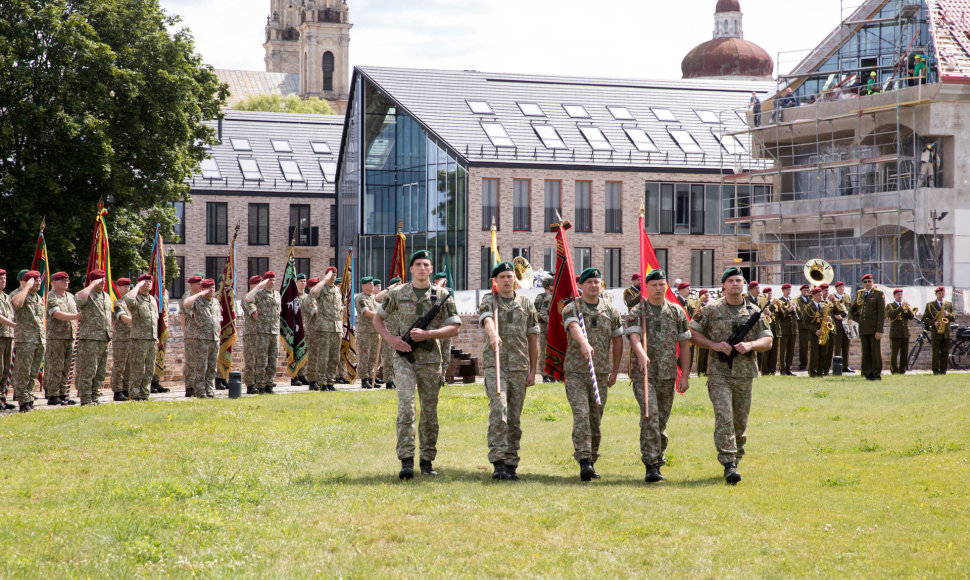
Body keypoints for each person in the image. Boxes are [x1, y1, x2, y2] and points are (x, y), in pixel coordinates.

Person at [373, 250, 462, 480]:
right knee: (406, 408)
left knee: (429, 412)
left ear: (431, 270)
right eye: (418, 264)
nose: (422, 268)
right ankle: (406, 461)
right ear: (411, 269)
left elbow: (455, 327)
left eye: (426, 265)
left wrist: (428, 333)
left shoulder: (442, 295)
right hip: (404, 360)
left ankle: (427, 460)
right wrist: (392, 340)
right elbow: (377, 318)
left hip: (431, 361)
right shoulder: (398, 293)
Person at [689, 267, 772, 484]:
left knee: (740, 421)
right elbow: (692, 332)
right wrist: (713, 345)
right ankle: (728, 463)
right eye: (731, 281)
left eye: (739, 280)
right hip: (719, 372)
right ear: (724, 285)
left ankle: (737, 457)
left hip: (744, 373)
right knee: (724, 417)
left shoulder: (754, 311)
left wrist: (751, 344)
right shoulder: (711, 309)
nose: (736, 284)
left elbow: (768, 340)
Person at [625, 269, 691, 483]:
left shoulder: (676, 311)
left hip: (668, 374)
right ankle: (651, 464)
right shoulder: (638, 310)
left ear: (666, 286)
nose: (658, 288)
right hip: (644, 374)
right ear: (647, 287)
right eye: (654, 285)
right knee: (650, 415)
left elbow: (685, 343)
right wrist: (641, 353)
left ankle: (659, 458)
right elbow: (634, 335)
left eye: (662, 284)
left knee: (661, 421)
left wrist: (685, 376)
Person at [561, 267, 623, 482]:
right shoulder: (572, 307)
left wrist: (615, 370)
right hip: (577, 371)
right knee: (581, 414)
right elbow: (573, 326)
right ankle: (584, 459)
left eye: (597, 282)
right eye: (589, 282)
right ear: (581, 285)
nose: (594, 286)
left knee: (595, 419)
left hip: (601, 372)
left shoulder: (610, 310)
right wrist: (584, 343)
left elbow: (617, 340)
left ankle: (592, 458)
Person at [478, 261, 539, 481]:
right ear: (495, 281)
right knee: (499, 408)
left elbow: (533, 337)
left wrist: (533, 370)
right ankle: (498, 460)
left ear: (515, 279)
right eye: (502, 277)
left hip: (520, 367)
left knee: (514, 416)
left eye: (510, 276)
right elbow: (486, 319)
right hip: (496, 366)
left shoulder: (526, 303)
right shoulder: (489, 300)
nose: (506, 280)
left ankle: (512, 461)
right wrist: (493, 333)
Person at [75, 269, 113, 405]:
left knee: (100, 372)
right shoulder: (87, 294)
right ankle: (86, 399)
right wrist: (91, 285)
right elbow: (79, 298)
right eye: (100, 280)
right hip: (90, 339)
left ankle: (95, 397)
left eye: (104, 280)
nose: (103, 282)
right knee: (89, 371)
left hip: (104, 338)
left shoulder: (106, 296)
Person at [11, 271, 46, 412]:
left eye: (39, 280)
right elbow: (17, 304)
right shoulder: (19, 293)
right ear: (27, 281)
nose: (38, 283)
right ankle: (23, 401)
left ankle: (29, 397)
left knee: (33, 372)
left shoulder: (37, 297)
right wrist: (26, 287)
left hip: (38, 340)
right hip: (25, 340)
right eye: (35, 280)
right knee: (23, 372)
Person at [44, 271, 79, 406]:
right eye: (63, 280)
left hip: (70, 336)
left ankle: (64, 394)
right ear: (54, 282)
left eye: (67, 280)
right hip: (56, 337)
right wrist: (75, 317)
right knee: (56, 367)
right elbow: (56, 314)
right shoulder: (51, 297)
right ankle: (53, 394)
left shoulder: (70, 297)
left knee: (67, 367)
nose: (67, 282)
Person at [123, 275, 159, 401]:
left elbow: (154, 319)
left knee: (149, 369)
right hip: (139, 338)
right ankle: (134, 395)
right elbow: (127, 298)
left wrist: (156, 335)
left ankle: (145, 394)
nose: (148, 283)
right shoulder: (135, 298)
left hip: (151, 338)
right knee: (138, 368)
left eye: (150, 281)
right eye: (145, 281)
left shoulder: (152, 300)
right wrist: (138, 286)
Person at [245, 271, 281, 394]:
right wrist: (259, 286)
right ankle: (260, 384)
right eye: (269, 280)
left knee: (273, 359)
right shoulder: (259, 294)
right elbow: (248, 299)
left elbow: (278, 311)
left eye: (273, 280)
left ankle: (269, 383)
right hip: (262, 330)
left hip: (274, 330)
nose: (272, 282)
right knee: (262, 359)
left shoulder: (277, 294)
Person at [310, 267, 341, 391]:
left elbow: (340, 310)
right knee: (323, 356)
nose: (333, 276)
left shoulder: (337, 290)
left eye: (335, 274)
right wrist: (325, 279)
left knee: (335, 357)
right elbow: (313, 292)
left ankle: (330, 381)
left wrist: (341, 326)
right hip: (324, 327)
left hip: (336, 328)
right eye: (331, 274)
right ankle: (322, 382)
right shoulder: (322, 288)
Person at [849, 274, 885, 381]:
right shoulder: (860, 294)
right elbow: (852, 309)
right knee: (866, 352)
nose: (867, 283)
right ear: (862, 283)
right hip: (863, 328)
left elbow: (881, 313)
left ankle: (876, 374)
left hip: (874, 329)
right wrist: (851, 318)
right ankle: (867, 374)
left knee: (875, 352)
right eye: (865, 282)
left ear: (873, 282)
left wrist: (879, 330)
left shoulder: (878, 293)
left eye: (869, 281)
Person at [109, 278, 133, 401]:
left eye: (128, 286)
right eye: (123, 286)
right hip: (121, 339)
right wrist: (137, 322)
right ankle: (117, 391)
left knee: (129, 366)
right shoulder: (117, 303)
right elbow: (122, 317)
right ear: (117, 288)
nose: (126, 288)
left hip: (132, 338)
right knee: (120, 366)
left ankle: (126, 389)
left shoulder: (132, 302)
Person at [376, 277, 401, 390]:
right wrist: (389, 288)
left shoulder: (402, 297)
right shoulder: (388, 297)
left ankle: (397, 379)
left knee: (399, 358)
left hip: (401, 330)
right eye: (397, 285)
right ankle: (389, 380)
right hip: (389, 331)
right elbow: (377, 297)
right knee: (389, 357)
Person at [922, 286, 954, 375]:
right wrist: (933, 323)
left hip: (946, 332)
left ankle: (943, 371)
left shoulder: (948, 304)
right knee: (935, 353)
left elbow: (953, 318)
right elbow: (924, 318)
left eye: (942, 293)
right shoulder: (930, 305)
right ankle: (935, 371)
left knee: (945, 352)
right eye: (939, 293)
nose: (941, 295)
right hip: (936, 332)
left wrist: (948, 314)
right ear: (936, 294)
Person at [355, 276, 379, 389]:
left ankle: (371, 377)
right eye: (369, 284)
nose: (372, 285)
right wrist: (381, 315)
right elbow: (366, 312)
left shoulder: (373, 297)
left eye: (372, 283)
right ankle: (364, 379)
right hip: (364, 331)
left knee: (373, 356)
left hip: (375, 331)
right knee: (364, 355)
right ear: (363, 286)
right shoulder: (361, 297)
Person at [886, 289, 914, 374]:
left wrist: (908, 308)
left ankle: (902, 370)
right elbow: (891, 315)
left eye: (901, 295)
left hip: (905, 333)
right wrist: (900, 307)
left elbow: (911, 317)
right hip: (895, 333)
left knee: (904, 353)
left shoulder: (905, 306)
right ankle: (894, 370)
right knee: (894, 354)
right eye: (898, 295)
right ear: (894, 296)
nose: (900, 296)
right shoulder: (890, 305)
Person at [241, 275, 261, 394]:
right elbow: (255, 315)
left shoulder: (260, 298)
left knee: (261, 359)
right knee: (251, 360)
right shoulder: (247, 298)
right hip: (251, 333)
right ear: (252, 286)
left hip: (261, 332)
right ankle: (250, 384)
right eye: (258, 284)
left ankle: (259, 381)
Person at [293, 273, 312, 387]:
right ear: (296, 282)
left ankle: (301, 375)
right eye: (301, 281)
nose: (303, 283)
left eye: (304, 281)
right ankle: (294, 376)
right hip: (296, 327)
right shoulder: (294, 297)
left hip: (307, 327)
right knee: (295, 351)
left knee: (304, 351)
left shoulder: (307, 297)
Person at [806, 287, 830, 378]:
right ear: (813, 296)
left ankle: (821, 372)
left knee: (823, 354)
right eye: (818, 295)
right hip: (814, 334)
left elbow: (827, 317)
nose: (820, 296)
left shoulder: (824, 305)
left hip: (824, 332)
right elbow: (806, 323)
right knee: (814, 354)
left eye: (821, 294)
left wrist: (829, 320)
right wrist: (815, 331)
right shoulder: (809, 307)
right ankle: (813, 372)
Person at [830, 281, 854, 373]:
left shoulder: (847, 296)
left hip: (846, 324)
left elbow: (850, 309)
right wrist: (835, 315)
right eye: (840, 287)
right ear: (836, 288)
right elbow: (830, 309)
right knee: (838, 346)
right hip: (838, 324)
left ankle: (845, 366)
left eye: (843, 287)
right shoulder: (832, 297)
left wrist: (850, 319)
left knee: (846, 346)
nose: (842, 288)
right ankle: (837, 366)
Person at [0, 269, 16, 407]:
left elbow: (11, 315)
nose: (3, 281)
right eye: (1, 279)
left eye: (4, 279)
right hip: (0, 335)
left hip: (9, 335)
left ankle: (2, 398)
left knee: (6, 369)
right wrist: (15, 325)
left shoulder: (6, 297)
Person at [433, 272, 452, 384]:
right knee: (437, 354)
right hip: (437, 329)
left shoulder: (447, 293)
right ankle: (436, 377)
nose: (444, 282)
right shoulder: (434, 292)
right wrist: (439, 286)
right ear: (436, 280)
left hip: (447, 328)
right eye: (441, 279)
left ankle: (442, 377)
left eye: (445, 280)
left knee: (446, 355)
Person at [535, 277, 555, 382]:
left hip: (551, 328)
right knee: (544, 351)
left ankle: (553, 373)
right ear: (548, 286)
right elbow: (537, 313)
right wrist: (551, 322)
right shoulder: (542, 297)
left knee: (553, 352)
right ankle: (545, 374)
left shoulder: (553, 296)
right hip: (544, 328)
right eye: (553, 284)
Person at [759, 287, 782, 376]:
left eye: (771, 293)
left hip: (775, 330)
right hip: (766, 330)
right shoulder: (762, 303)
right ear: (764, 294)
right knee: (766, 352)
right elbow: (766, 312)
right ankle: (764, 371)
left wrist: (780, 307)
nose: (770, 295)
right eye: (768, 293)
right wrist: (772, 305)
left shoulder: (775, 304)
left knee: (774, 352)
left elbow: (782, 315)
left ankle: (772, 371)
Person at [777, 283, 798, 376]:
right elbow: (782, 315)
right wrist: (789, 310)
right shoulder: (780, 301)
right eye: (786, 290)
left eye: (789, 290)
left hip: (793, 329)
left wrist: (795, 309)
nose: (788, 291)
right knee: (782, 351)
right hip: (784, 329)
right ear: (783, 291)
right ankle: (782, 370)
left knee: (790, 350)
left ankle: (789, 368)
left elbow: (798, 316)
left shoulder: (792, 301)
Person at [796, 283, 812, 371]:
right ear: (801, 291)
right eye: (804, 290)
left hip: (812, 326)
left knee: (813, 346)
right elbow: (799, 313)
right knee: (803, 346)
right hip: (803, 326)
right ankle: (803, 364)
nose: (806, 292)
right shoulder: (797, 300)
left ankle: (812, 364)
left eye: (807, 290)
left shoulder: (812, 299)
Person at [695, 289, 711, 376]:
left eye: (708, 295)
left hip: (709, 333)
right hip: (701, 333)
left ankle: (706, 371)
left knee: (708, 354)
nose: (707, 296)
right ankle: (700, 371)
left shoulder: (710, 306)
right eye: (705, 295)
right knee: (701, 355)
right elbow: (696, 319)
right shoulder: (698, 305)